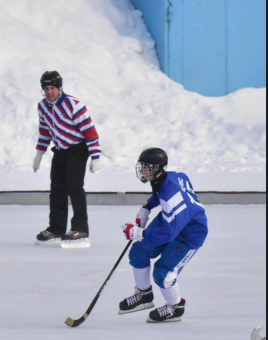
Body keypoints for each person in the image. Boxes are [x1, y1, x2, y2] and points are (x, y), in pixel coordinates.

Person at [118, 148, 208, 322]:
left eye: (147, 167)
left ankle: (175, 307)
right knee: (138, 252)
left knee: (163, 273)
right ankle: (144, 295)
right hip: (173, 221)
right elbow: (162, 194)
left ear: (158, 168)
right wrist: (147, 206)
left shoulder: (170, 199)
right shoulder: (174, 176)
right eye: (142, 166)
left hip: (190, 234)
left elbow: (167, 234)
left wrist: (138, 232)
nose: (143, 171)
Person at [32, 70, 102, 247]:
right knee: (56, 188)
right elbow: (45, 132)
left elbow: (90, 132)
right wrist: (39, 153)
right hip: (61, 150)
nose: (49, 92)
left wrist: (95, 157)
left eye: (53, 88)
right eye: (46, 88)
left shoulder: (74, 105)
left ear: (59, 88)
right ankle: (56, 228)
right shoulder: (42, 107)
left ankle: (80, 228)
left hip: (78, 148)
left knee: (74, 186)